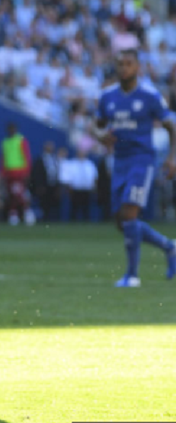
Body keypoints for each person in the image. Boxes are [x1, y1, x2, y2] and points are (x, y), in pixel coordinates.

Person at [92, 49, 176, 287]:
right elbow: (96, 125)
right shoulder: (108, 96)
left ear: (138, 67)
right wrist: (100, 135)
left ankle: (132, 275)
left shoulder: (150, 95)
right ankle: (169, 247)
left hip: (142, 159)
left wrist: (172, 158)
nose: (123, 68)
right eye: (119, 64)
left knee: (129, 214)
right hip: (119, 161)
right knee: (122, 222)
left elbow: (171, 125)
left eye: (128, 64)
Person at [0, 122, 33, 225]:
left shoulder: (21, 140)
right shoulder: (5, 142)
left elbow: (26, 156)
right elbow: (3, 158)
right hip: (9, 173)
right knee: (12, 195)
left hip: (19, 172)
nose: (11, 131)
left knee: (19, 194)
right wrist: (2, 172)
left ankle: (25, 213)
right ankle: (15, 214)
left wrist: (27, 171)